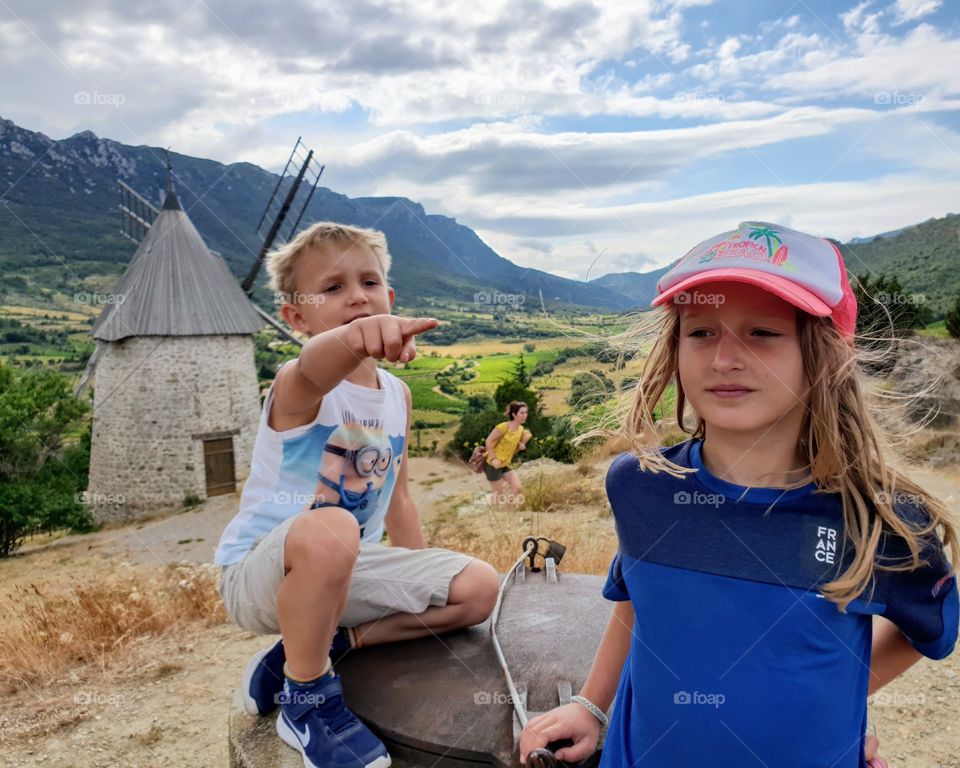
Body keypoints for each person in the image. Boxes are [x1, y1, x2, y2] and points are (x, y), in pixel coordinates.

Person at [519, 222, 958, 768]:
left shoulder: (879, 518)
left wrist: (830, 708)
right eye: (700, 331)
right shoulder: (639, 485)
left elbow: (925, 631)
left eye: (762, 333)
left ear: (823, 355)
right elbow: (639, 601)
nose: (724, 358)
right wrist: (592, 705)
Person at [214, 222, 500, 768]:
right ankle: (308, 701)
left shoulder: (398, 395)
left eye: (368, 282)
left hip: (347, 570)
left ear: (389, 298)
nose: (356, 296)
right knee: (333, 527)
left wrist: (417, 584)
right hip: (259, 574)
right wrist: (352, 339)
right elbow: (314, 365)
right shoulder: (298, 387)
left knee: (478, 589)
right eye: (332, 288)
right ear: (296, 317)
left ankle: (322, 648)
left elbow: (400, 500)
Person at [483, 401, 532, 509]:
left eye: (526, 413)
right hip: (493, 465)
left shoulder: (521, 429)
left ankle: (509, 509)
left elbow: (513, 448)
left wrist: (521, 445)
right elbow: (488, 441)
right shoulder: (503, 427)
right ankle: (494, 514)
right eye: (522, 413)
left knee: (517, 488)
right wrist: (493, 459)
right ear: (514, 414)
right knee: (498, 494)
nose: (525, 415)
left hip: (505, 464)